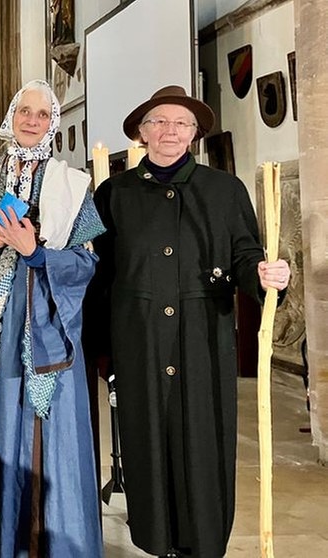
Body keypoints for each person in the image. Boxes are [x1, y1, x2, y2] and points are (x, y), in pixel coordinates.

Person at [88, 85, 291, 557]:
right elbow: (98, 272)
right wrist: (101, 348)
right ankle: (156, 541)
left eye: (181, 123)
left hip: (202, 337)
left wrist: (264, 274)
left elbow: (246, 256)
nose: (169, 132)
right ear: (141, 131)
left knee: (203, 438)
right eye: (158, 121)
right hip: (139, 339)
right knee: (149, 440)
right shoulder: (114, 193)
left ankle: (202, 543)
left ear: (195, 134)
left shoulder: (224, 190)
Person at [0, 80, 105, 557]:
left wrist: (35, 253)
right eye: (23, 111)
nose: (31, 120)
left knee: (41, 433)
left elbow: (87, 264)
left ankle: (43, 543)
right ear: (9, 116)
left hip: (45, 333)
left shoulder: (72, 187)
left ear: (54, 122)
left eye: (42, 113)